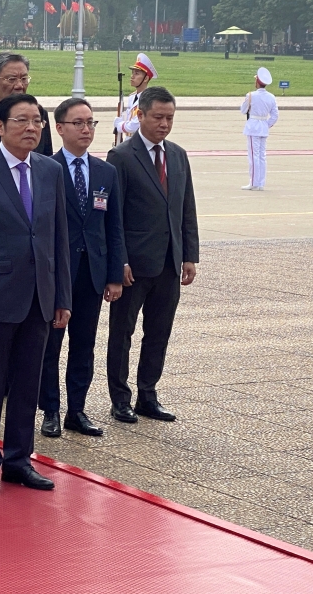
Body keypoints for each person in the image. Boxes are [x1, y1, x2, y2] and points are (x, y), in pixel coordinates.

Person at [0, 93, 71, 497]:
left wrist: (62, 297)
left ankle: (20, 461)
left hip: (39, 296)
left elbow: (58, 237)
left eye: (37, 121)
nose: (32, 128)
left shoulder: (49, 171)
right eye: (21, 121)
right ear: (0, 127)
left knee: (27, 384)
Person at [106, 87, 199, 424]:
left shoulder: (177, 155)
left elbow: (186, 208)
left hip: (169, 262)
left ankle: (148, 393)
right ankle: (120, 398)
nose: (164, 124)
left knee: (158, 332)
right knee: (122, 333)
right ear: (140, 115)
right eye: (158, 117)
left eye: (169, 118)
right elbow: (113, 215)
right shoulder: (121, 157)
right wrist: (121, 261)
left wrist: (189, 255)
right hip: (135, 265)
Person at [39, 98, 125, 439]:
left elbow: (113, 226)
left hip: (92, 273)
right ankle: (50, 410)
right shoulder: (45, 169)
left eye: (91, 123)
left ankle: (77, 410)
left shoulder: (106, 171)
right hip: (57, 274)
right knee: (50, 346)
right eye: (78, 123)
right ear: (60, 128)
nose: (86, 129)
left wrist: (115, 275)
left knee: (83, 345)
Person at [240, 67, 278, 191]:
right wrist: (266, 125)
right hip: (263, 126)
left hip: (253, 127)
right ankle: (260, 183)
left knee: (253, 156)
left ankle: (253, 182)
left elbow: (243, 110)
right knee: (262, 156)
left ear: (257, 82)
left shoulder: (251, 95)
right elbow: (275, 115)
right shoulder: (271, 97)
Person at [113, 53, 156, 140]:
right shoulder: (132, 97)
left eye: (137, 73)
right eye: (132, 73)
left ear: (146, 78)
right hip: (128, 140)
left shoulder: (147, 100)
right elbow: (128, 117)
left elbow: (134, 125)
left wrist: (119, 125)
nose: (132, 76)